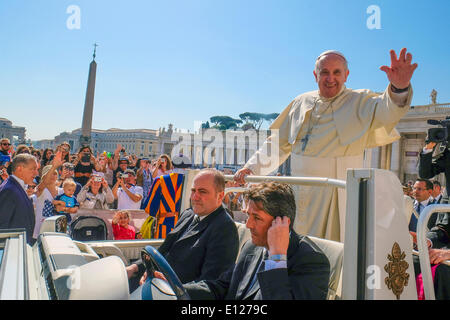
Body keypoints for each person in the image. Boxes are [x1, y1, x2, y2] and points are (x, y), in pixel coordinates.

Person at [234, 48, 417, 242]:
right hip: (302, 192)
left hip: (341, 193)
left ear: (346, 75)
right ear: (315, 75)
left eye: (337, 72)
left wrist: (399, 87)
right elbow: (277, 144)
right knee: (300, 248)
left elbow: (388, 112)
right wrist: (251, 168)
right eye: (324, 72)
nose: (330, 78)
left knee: (338, 250)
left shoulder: (361, 100)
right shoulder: (300, 102)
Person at [183, 182, 330, 300]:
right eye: (248, 216)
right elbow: (222, 287)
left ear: (281, 223)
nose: (248, 224)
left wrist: (277, 257)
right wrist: (175, 290)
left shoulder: (311, 262)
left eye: (257, 218)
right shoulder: (252, 247)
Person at [126, 169, 239, 287]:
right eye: (193, 190)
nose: (195, 197)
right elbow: (165, 249)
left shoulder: (224, 228)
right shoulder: (188, 215)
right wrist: (135, 267)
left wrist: (171, 287)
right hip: (156, 282)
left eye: (203, 191)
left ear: (220, 196)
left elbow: (211, 285)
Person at [0, 154, 39, 244]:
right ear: (20, 169)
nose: (36, 173)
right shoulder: (9, 190)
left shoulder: (16, 186)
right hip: (12, 249)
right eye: (33, 169)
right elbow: (2, 226)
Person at [33, 152, 64, 240]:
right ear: (43, 176)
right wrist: (54, 166)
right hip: (40, 228)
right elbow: (44, 183)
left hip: (57, 228)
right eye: (50, 173)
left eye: (55, 173)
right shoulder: (40, 189)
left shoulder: (62, 191)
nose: (53, 176)